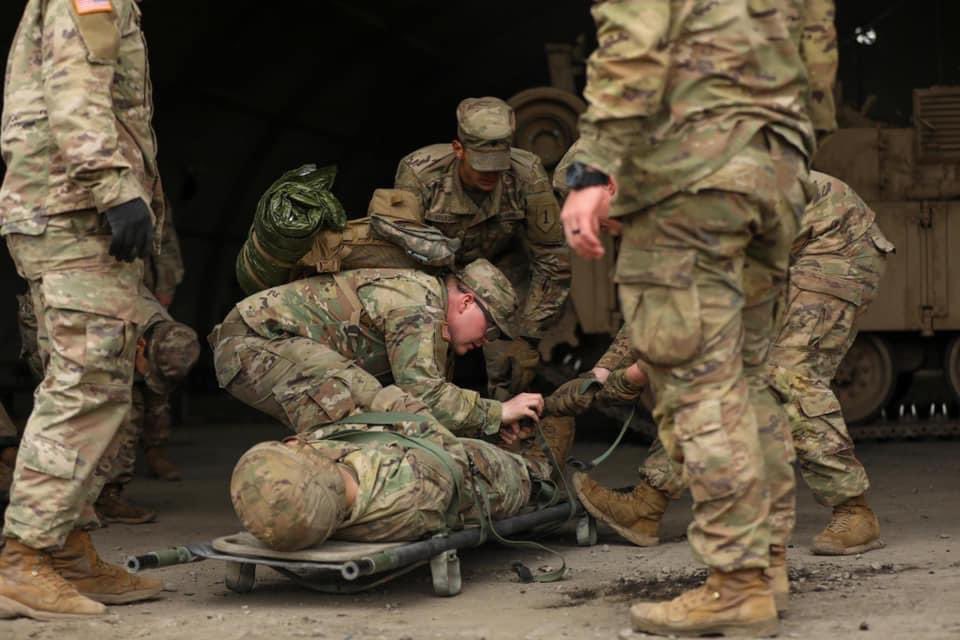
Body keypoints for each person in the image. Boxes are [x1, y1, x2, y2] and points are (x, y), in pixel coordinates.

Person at [559, 1, 816, 636]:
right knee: (750, 383)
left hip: (692, 178)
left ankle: (736, 584)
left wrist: (592, 172)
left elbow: (632, 48)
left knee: (697, 389)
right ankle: (768, 563)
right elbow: (817, 56)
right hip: (775, 171)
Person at [570, 171, 893, 559]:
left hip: (833, 239)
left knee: (788, 374)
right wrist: (602, 372)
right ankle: (645, 506)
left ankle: (854, 511)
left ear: (610, 184)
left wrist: (632, 377)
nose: (594, 225)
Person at [0, 0, 165, 619]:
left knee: (102, 378)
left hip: (65, 212)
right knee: (86, 382)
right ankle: (24, 558)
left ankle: (65, 549)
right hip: (74, 213)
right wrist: (113, 186)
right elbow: (74, 86)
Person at [209, 259, 546, 441]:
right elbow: (424, 394)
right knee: (360, 406)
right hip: (253, 342)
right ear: (467, 302)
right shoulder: (419, 305)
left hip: (266, 344)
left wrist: (486, 424)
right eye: (489, 328)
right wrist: (496, 412)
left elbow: (423, 404)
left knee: (373, 410)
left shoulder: (429, 310)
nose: (485, 340)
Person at [231, 395, 573, 551]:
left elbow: (320, 438)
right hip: (481, 477)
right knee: (536, 465)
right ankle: (537, 463)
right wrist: (398, 404)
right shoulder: (410, 499)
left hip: (410, 448)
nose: (294, 444)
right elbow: (445, 450)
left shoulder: (320, 489)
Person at [394, 97, 570, 401]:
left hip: (501, 270)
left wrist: (528, 336)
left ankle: (507, 430)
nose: (491, 174)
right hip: (435, 273)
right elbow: (399, 249)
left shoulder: (527, 174)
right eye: (482, 165)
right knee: (426, 360)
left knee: (511, 366)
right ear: (458, 149)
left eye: (498, 166)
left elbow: (553, 260)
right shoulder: (420, 173)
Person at [96, 318, 200, 524]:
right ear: (140, 346)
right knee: (120, 410)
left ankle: (109, 494)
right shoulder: (108, 329)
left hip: (126, 340)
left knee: (140, 406)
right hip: (74, 341)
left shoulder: (167, 331)